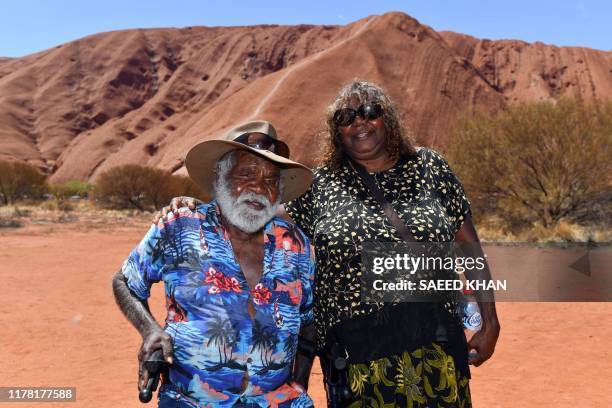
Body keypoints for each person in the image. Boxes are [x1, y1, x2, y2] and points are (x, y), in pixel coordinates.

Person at [162, 81, 501, 407]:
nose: (359, 122)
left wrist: (490, 320)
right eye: (346, 117)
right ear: (336, 130)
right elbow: (255, 211)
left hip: (435, 344)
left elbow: (469, 248)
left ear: (390, 118)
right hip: (358, 359)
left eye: (370, 111)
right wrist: (198, 207)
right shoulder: (320, 185)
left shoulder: (430, 167)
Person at [112, 120, 318, 407]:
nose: (259, 188)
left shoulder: (296, 245)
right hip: (191, 401)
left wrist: (299, 382)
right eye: (246, 174)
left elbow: (309, 320)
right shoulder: (180, 227)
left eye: (271, 180)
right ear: (220, 179)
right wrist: (150, 331)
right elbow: (124, 281)